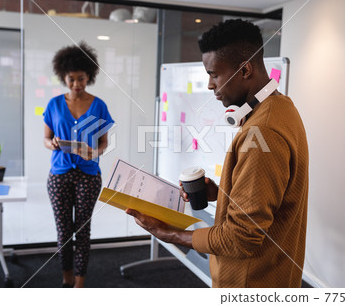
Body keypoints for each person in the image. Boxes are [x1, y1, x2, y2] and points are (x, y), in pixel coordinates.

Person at [126, 19, 309, 288]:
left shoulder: (264, 130)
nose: (210, 85)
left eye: (214, 74)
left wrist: (171, 234)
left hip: (250, 282)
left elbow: (242, 237)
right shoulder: (280, 108)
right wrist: (223, 193)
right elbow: (268, 197)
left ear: (245, 69)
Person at [43, 41, 114, 288]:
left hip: (89, 175)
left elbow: (104, 143)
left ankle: (79, 283)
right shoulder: (53, 105)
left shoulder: (99, 105)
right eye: (71, 79)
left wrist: (95, 151)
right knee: (63, 232)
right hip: (59, 175)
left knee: (82, 232)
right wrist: (51, 143)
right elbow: (45, 138)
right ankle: (65, 278)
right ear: (63, 77)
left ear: (89, 77)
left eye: (81, 79)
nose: (76, 84)